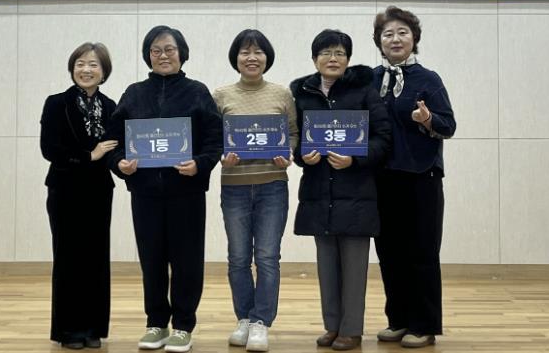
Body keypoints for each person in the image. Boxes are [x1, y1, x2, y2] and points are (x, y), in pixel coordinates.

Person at [105, 25, 223, 353]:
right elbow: (114, 140)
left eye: (169, 49)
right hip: (145, 193)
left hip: (186, 192)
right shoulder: (134, 93)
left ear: (182, 53)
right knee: (152, 259)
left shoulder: (197, 92)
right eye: (156, 50)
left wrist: (199, 164)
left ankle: (183, 325)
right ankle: (156, 323)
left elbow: (215, 140)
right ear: (148, 56)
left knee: (187, 260)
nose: (163, 55)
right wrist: (119, 163)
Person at [290, 30, 391, 351]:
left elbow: (383, 139)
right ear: (314, 59)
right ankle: (332, 326)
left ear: (348, 59)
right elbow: (296, 139)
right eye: (325, 53)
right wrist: (302, 156)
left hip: (357, 191)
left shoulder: (365, 91)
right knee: (327, 266)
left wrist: (354, 159)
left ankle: (351, 329)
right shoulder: (302, 93)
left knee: (354, 267)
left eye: (339, 53)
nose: (332, 59)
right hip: (319, 192)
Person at [371, 6, 456, 348]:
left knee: (422, 253)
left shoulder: (428, 79)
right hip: (382, 178)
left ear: (414, 39)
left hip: (422, 177)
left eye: (402, 33)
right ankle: (399, 320)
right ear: (379, 41)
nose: (395, 39)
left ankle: (424, 325)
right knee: (389, 253)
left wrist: (427, 119)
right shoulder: (370, 79)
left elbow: (448, 125)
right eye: (388, 34)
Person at [213, 30, 298, 352]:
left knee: (266, 257)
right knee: (237, 257)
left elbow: (293, 133)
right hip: (234, 187)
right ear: (235, 58)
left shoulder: (282, 94)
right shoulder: (221, 95)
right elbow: (213, 138)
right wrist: (222, 155)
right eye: (245, 52)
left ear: (267, 58)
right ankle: (244, 319)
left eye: (258, 52)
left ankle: (261, 321)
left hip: (272, 186)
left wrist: (288, 153)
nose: (252, 58)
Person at [40, 42, 118, 350]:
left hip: (99, 191)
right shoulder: (56, 103)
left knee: (96, 259)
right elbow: (49, 149)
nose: (86, 70)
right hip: (65, 190)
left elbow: (117, 148)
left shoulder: (111, 106)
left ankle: (93, 328)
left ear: (104, 72)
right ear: (72, 69)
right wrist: (89, 155)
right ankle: (69, 330)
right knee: (68, 259)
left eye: (93, 65)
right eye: (80, 64)